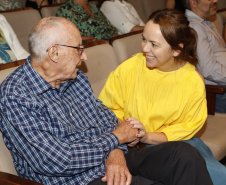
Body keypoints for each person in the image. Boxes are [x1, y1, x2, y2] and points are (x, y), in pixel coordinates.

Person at [0, 16, 213, 185]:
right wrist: (115, 140)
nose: (84, 57)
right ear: (54, 53)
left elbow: (108, 121)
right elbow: (58, 161)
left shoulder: (75, 78)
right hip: (74, 179)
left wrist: (116, 152)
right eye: (79, 49)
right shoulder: (16, 94)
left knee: (183, 156)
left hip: (108, 156)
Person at [99, 8, 226, 185]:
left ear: (176, 49)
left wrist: (147, 136)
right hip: (130, 147)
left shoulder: (192, 80)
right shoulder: (130, 68)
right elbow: (107, 109)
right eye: (144, 39)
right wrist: (128, 130)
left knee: (218, 176)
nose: (145, 48)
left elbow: (186, 127)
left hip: (178, 145)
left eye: (154, 44)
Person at [182, 0, 226, 113]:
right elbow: (208, 70)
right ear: (193, 3)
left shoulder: (205, 22)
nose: (216, 0)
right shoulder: (194, 27)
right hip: (216, 94)